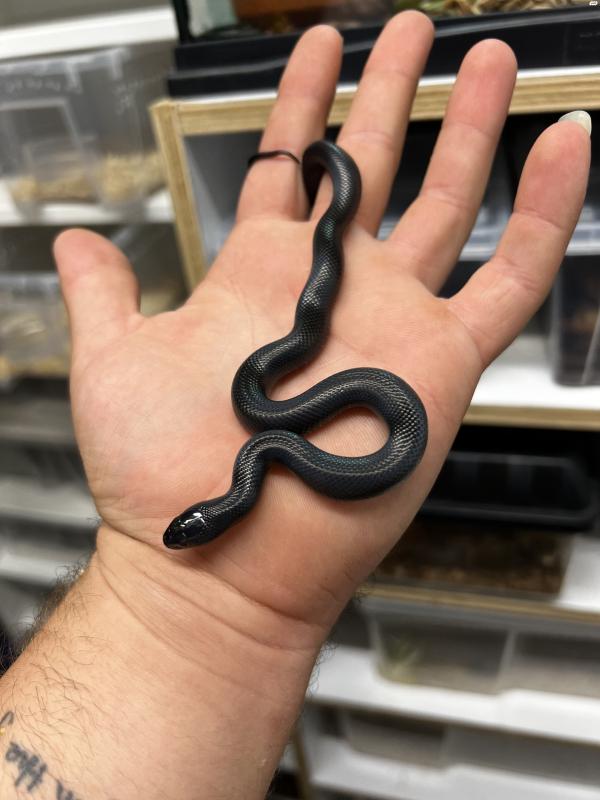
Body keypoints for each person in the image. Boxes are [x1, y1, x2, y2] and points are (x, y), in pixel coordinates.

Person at [0, 10, 591, 799]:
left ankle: (332, 179)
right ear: (221, 515)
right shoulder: (261, 443)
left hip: (295, 404)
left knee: (319, 280)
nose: (185, 532)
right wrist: (160, 594)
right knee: (310, 300)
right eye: (192, 528)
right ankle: (330, 180)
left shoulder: (263, 437)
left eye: (187, 529)